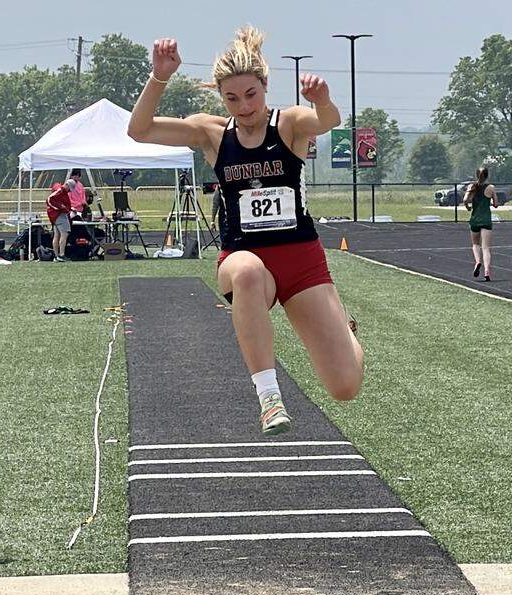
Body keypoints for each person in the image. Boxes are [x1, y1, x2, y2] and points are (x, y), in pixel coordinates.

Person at [128, 27, 364, 435]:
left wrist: (322, 99)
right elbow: (140, 130)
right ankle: (269, 397)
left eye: (251, 95)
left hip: (301, 261)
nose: (243, 106)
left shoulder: (287, 123)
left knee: (345, 386)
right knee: (249, 271)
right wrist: (160, 76)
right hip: (242, 257)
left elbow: (329, 120)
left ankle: (343, 326)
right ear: (221, 98)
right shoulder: (212, 134)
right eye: (232, 98)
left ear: (265, 87)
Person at [462, 167, 497, 281]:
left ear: (477, 175)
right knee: (486, 247)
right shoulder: (491, 188)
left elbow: (465, 200)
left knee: (475, 244)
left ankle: (478, 262)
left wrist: (468, 207)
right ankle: (487, 270)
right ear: (487, 176)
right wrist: (491, 201)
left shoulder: (472, 186)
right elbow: (496, 204)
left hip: (475, 219)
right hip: (486, 219)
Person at [45, 181, 72, 262]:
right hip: (59, 215)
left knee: (57, 235)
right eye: (70, 189)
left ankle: (56, 256)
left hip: (55, 216)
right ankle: (61, 255)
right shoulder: (60, 191)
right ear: (67, 185)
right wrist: (60, 207)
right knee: (64, 234)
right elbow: (49, 199)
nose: (69, 191)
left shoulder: (60, 190)